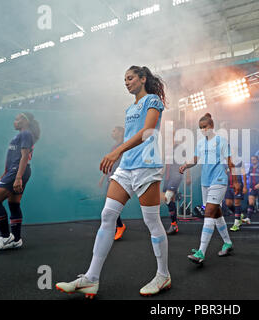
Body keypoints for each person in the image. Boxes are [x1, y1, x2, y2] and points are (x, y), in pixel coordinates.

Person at [56, 66, 170, 298]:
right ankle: (91, 278)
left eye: (130, 78)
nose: (126, 82)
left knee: (152, 221)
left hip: (146, 166)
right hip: (126, 167)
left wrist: (116, 151)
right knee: (108, 215)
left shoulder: (153, 100)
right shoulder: (130, 108)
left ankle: (163, 275)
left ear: (142, 79)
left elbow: (148, 132)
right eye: (124, 79)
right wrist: (121, 155)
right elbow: (131, 136)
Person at [179, 113, 240, 265]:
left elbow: (230, 162)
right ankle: (227, 242)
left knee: (208, 213)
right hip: (205, 182)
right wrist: (186, 165)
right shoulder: (200, 143)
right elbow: (195, 160)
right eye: (200, 128)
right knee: (216, 213)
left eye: (205, 127)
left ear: (212, 126)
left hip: (219, 180)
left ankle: (201, 252)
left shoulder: (221, 140)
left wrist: (236, 181)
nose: (203, 130)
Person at [0, 112, 40, 254]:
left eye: (17, 119)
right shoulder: (22, 135)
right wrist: (3, 175)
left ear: (24, 121)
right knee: (13, 204)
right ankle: (16, 240)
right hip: (14, 171)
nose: (14, 122)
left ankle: (5, 237)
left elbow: (23, 157)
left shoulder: (26, 134)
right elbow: (12, 158)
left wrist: (17, 178)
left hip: (18, 172)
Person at [98, 126, 126, 240]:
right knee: (108, 204)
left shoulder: (124, 146)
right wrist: (103, 178)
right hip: (111, 179)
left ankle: (119, 226)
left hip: (118, 179)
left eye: (114, 131)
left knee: (112, 205)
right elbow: (109, 163)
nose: (112, 133)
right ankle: (117, 226)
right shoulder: (113, 147)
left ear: (120, 132)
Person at [162, 133, 187, 235]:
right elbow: (166, 164)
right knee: (169, 200)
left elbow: (185, 162)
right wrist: (161, 175)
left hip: (176, 176)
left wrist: (188, 176)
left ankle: (173, 224)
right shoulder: (168, 149)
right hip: (168, 177)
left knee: (167, 197)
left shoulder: (180, 148)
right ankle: (174, 224)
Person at [227, 154, 248, 231]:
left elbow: (244, 173)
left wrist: (245, 186)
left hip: (238, 184)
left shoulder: (240, 162)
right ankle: (239, 215)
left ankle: (236, 224)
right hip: (229, 185)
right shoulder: (226, 161)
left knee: (237, 203)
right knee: (228, 203)